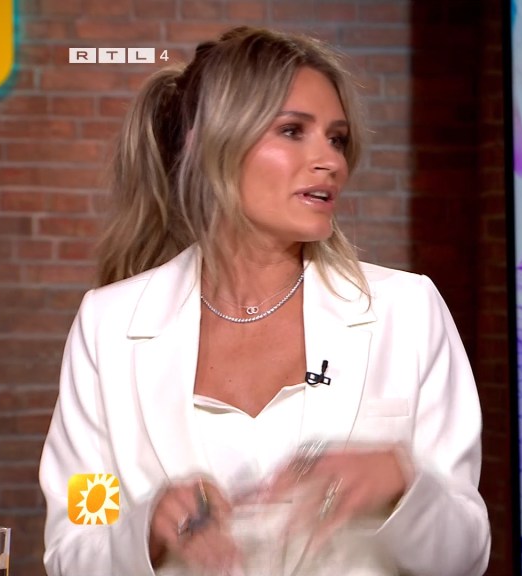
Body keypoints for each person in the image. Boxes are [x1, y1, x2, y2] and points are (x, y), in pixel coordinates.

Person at [38, 26, 491, 575]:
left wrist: (403, 484)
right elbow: (76, 545)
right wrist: (146, 528)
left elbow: (467, 553)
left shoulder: (408, 311)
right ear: (212, 144)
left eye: (337, 139)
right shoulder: (108, 327)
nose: (330, 161)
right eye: (293, 131)